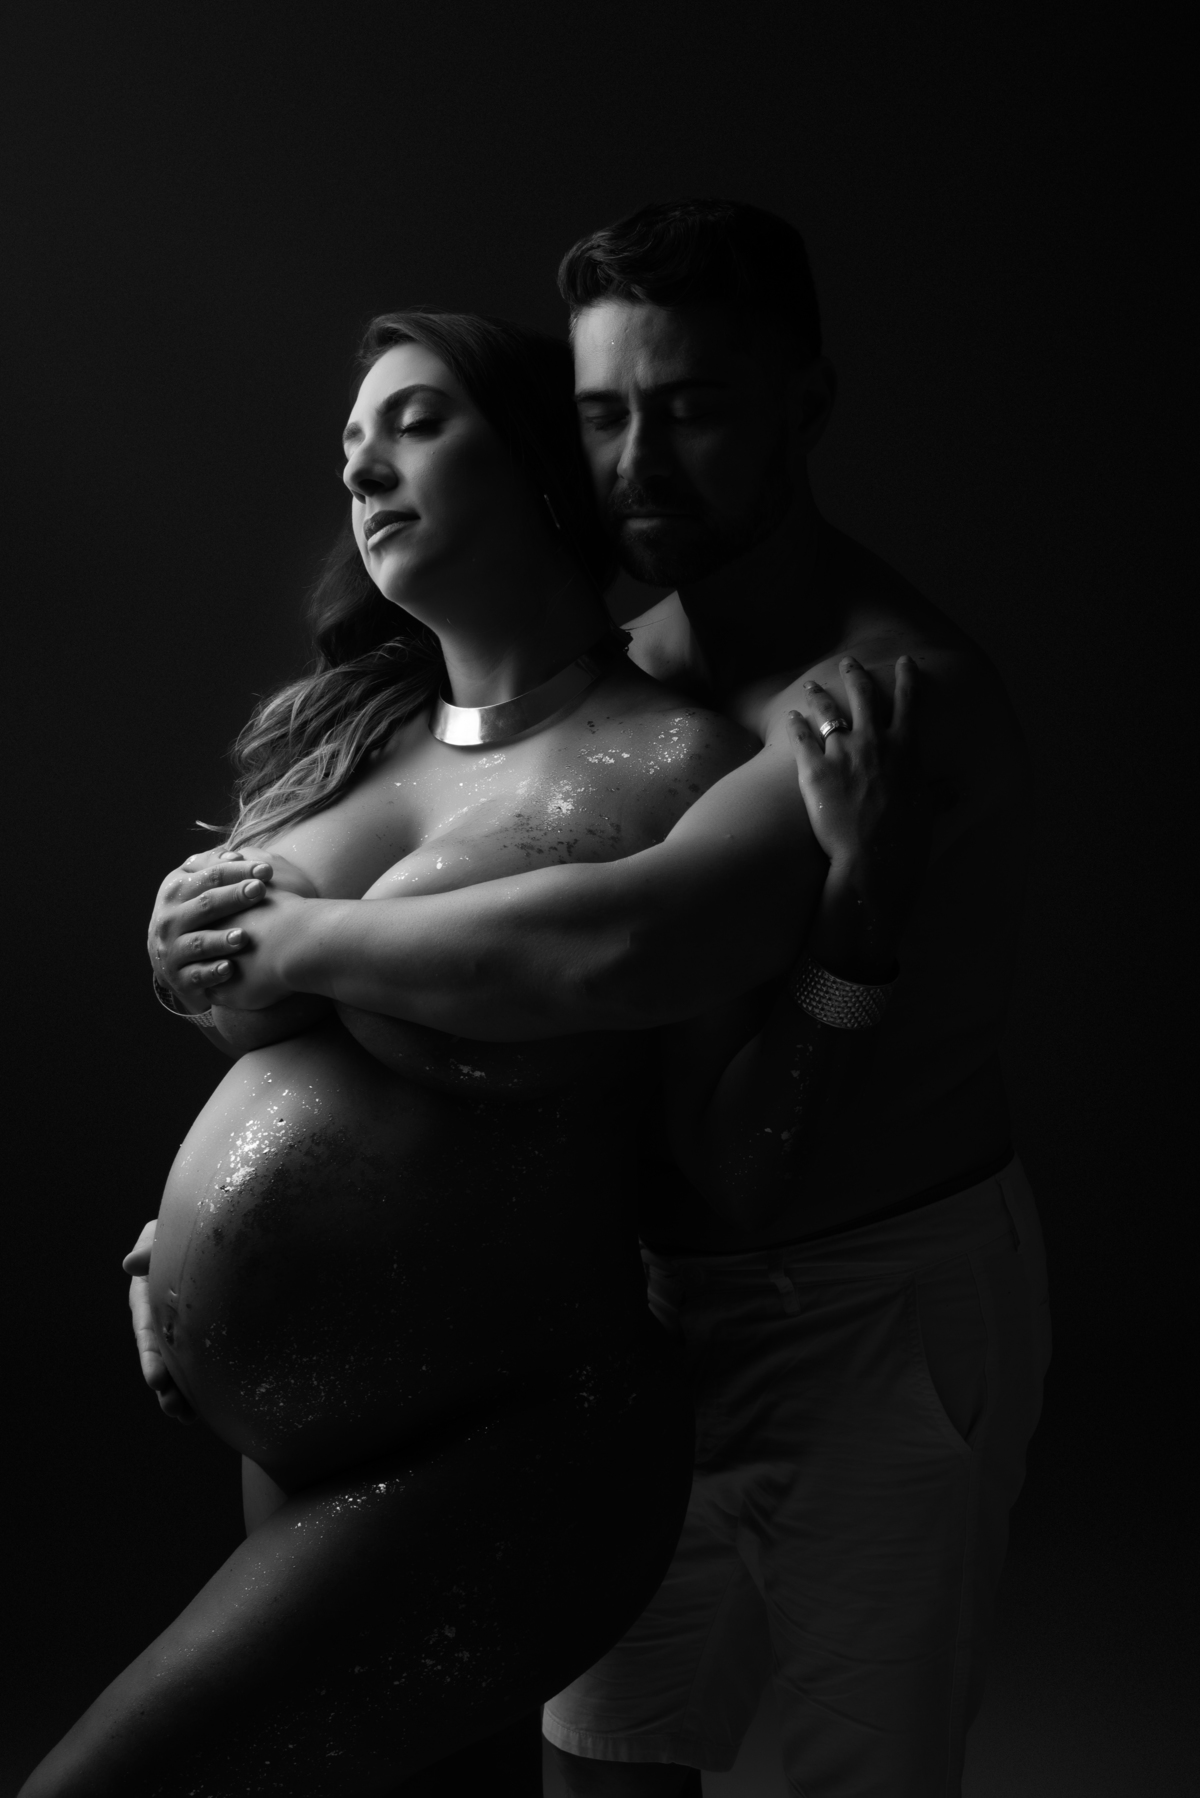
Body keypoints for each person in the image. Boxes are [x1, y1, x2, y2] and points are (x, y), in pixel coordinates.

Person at [136, 201, 1051, 1797]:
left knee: (859, 1773)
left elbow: (624, 949)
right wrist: (193, 1214)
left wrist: (297, 944)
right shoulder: (631, 660)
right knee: (603, 1769)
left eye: (688, 409)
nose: (638, 462)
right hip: (634, 1312)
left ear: (806, 407)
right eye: (605, 413)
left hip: (867, 1305)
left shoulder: (883, 695)